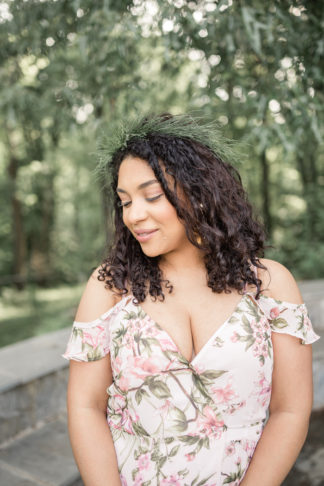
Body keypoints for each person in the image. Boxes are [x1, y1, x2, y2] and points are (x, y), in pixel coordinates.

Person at [63, 114, 319, 486]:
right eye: (125, 202)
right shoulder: (111, 287)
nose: (134, 215)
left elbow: (290, 410)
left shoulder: (268, 285)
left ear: (199, 193)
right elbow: (86, 408)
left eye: (152, 196)